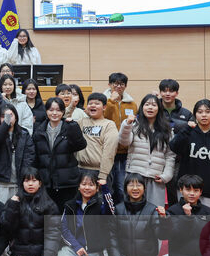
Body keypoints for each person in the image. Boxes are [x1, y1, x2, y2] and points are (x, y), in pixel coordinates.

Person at [169, 99, 210, 210]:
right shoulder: (188, 132)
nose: (204, 115)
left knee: (206, 220)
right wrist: (187, 129)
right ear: (195, 115)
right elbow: (173, 146)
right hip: (187, 189)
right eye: (200, 112)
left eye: (207, 112)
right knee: (184, 219)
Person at [52, 174, 113, 256]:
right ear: (79, 187)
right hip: (74, 248)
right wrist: (76, 246)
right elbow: (63, 228)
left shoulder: (101, 205)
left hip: (92, 250)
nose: (87, 187)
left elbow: (111, 212)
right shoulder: (70, 205)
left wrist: (105, 189)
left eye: (91, 185)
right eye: (84, 184)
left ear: (97, 188)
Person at [108, 174, 164, 256]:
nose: (135, 188)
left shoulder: (152, 210)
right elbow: (112, 235)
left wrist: (164, 219)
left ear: (144, 188)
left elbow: (162, 235)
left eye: (138, 185)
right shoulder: (118, 209)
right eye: (131, 185)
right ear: (125, 188)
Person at [4, 167, 59, 256]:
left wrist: (48, 255)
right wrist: (12, 206)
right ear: (22, 183)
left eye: (34, 180)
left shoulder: (49, 204)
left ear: (40, 183)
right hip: (20, 252)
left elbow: (53, 233)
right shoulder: (14, 201)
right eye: (27, 180)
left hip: (40, 253)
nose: (30, 184)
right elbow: (7, 227)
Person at [118, 94, 176, 207]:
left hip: (156, 178)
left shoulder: (167, 130)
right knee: (132, 210)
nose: (150, 107)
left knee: (154, 211)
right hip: (135, 176)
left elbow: (170, 155)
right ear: (142, 107)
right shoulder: (134, 125)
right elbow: (124, 142)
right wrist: (127, 124)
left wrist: (166, 175)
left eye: (154, 105)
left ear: (159, 108)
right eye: (147, 104)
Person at [32, 97, 88, 211]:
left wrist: (74, 127)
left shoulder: (69, 127)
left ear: (63, 112)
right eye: (51, 110)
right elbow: (36, 156)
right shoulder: (39, 130)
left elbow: (80, 145)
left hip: (67, 181)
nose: (54, 113)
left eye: (58, 110)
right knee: (49, 215)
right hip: (47, 182)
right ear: (46, 111)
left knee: (67, 214)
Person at [0, 104, 35, 202]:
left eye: (10, 115)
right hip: (1, 181)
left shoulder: (24, 134)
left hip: (19, 182)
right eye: (3, 116)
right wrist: (6, 123)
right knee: (2, 209)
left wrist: (24, 177)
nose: (7, 118)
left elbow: (29, 156)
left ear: (16, 117)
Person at [158, 78, 195, 206]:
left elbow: (191, 136)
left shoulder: (186, 113)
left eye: (171, 91)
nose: (167, 94)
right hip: (157, 157)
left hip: (178, 159)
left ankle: (175, 213)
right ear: (160, 92)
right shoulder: (154, 110)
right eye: (164, 91)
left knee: (175, 190)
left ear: (177, 93)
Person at [104, 72, 138, 201]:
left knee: (121, 187)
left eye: (122, 84)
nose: (118, 86)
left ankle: (121, 211)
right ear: (109, 84)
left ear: (125, 86)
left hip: (124, 151)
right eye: (115, 83)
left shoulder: (131, 104)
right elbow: (103, 117)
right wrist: (111, 101)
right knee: (108, 187)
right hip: (107, 150)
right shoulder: (104, 101)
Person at [75, 93, 119, 183]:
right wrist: (71, 106)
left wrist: (103, 175)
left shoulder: (109, 125)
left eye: (97, 103)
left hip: (99, 171)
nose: (93, 105)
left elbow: (109, 151)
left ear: (104, 107)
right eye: (90, 103)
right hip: (79, 169)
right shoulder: (81, 122)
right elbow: (64, 119)